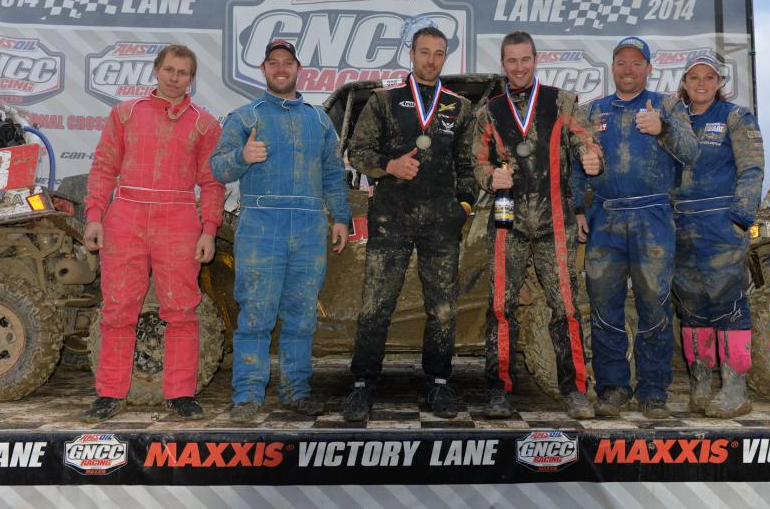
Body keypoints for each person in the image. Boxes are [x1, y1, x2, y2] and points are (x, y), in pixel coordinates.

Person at [209, 39, 350, 421]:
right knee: (255, 314)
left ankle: (295, 392)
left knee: (301, 316)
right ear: (264, 69)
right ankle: (248, 396)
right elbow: (218, 168)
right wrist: (242, 157)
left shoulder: (319, 119)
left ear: (298, 69)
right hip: (261, 226)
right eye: (274, 63)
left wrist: (340, 216)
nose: (281, 68)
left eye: (288, 62)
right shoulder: (245, 117)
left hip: (309, 226)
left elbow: (333, 173)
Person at [341, 25, 476, 422]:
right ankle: (362, 385)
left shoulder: (459, 107)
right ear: (411, 54)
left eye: (438, 53)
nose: (431, 60)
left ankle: (438, 384)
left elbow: (468, 165)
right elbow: (357, 151)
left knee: (443, 309)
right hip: (391, 218)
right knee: (375, 305)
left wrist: (463, 207)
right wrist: (389, 165)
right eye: (424, 52)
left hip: (441, 222)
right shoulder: (384, 100)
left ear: (445, 57)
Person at [83, 44, 224, 421]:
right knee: (117, 308)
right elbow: (103, 168)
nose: (175, 78)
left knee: (182, 310)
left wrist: (209, 230)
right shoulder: (126, 113)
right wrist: (94, 217)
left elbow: (212, 183)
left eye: (183, 72)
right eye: (169, 70)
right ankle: (110, 393)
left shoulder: (205, 124)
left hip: (179, 219)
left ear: (192, 78)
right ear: (156, 71)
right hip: (126, 217)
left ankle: (180, 394)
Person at [472, 31, 601, 420]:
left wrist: (592, 157)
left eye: (525, 59)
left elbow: (587, 142)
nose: (519, 67)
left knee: (566, 307)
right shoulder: (489, 112)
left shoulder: (561, 102)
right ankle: (498, 390)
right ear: (503, 63)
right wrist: (489, 177)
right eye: (511, 61)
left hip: (554, 221)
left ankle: (574, 391)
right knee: (501, 307)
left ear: (535, 59)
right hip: (506, 221)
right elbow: (477, 162)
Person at [571, 36, 699, 419]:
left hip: (653, 216)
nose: (628, 70)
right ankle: (612, 390)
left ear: (648, 68)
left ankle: (653, 392)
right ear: (612, 67)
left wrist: (663, 129)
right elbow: (575, 164)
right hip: (605, 216)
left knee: (654, 306)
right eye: (621, 63)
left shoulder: (668, 106)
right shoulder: (591, 112)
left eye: (636, 62)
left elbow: (691, 152)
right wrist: (578, 208)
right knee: (604, 307)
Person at [672, 54, 764, 418]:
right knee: (691, 306)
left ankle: (735, 390)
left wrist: (740, 217)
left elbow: (752, 168)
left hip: (721, 223)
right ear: (684, 83)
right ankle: (700, 386)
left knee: (728, 304)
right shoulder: (675, 120)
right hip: (681, 225)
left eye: (708, 77)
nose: (701, 83)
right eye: (694, 77)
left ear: (719, 82)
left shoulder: (735, 117)